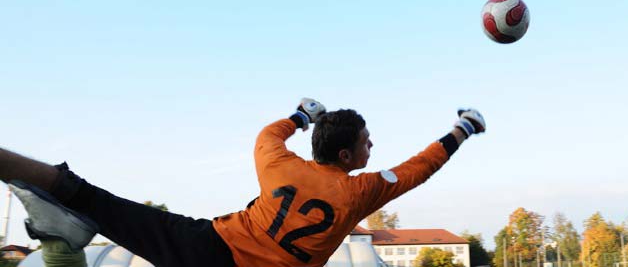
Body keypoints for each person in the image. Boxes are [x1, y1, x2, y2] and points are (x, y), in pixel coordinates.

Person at [1, 98, 486, 266]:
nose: (371, 147)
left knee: (112, 209)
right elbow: (420, 166)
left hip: (207, 248)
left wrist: (302, 115)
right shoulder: (359, 192)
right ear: (346, 155)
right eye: (366, 141)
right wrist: (462, 128)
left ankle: (55, 200)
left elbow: (267, 134)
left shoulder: (278, 162)